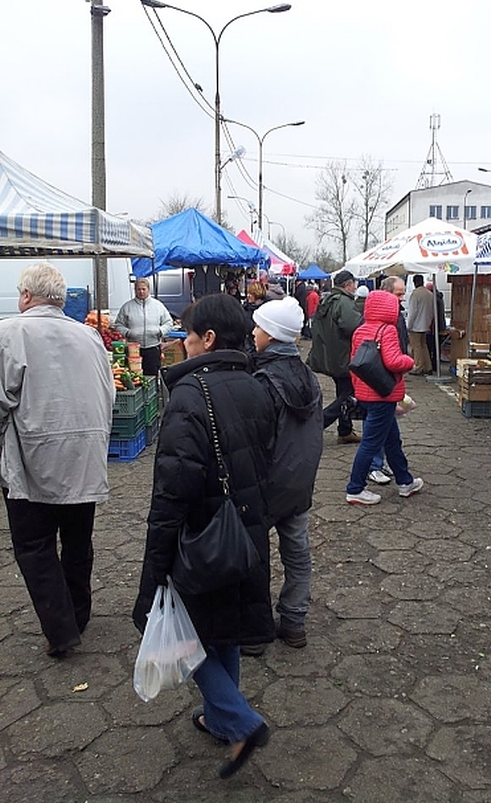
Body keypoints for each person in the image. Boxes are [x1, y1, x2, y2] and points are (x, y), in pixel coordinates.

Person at [132, 294, 276, 779]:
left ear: (208, 339)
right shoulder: (257, 385)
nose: (182, 344)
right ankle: (221, 719)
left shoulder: (191, 395)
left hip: (199, 539)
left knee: (182, 637)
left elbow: (172, 490)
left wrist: (154, 567)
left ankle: (241, 721)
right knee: (225, 629)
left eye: (187, 335)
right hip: (245, 532)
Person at [0, 263, 115, 657]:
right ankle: (77, 614)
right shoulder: (90, 336)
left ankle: (62, 629)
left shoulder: (11, 331)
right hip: (84, 457)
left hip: (33, 460)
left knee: (34, 546)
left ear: (28, 296)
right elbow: (109, 395)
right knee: (78, 541)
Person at [241, 296, 323, 655]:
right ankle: (294, 622)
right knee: (297, 553)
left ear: (271, 336)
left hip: (267, 485)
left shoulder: (261, 381)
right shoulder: (309, 378)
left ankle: (255, 634)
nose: (253, 333)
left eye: (258, 327)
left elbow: (256, 441)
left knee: (254, 557)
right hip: (300, 483)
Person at [345, 289, 423, 505]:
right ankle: (355, 488)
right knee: (370, 444)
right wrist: (408, 361)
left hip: (366, 394)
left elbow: (354, 363)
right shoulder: (387, 330)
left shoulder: (360, 330)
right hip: (383, 396)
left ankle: (406, 481)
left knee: (392, 441)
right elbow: (393, 362)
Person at [307, 270, 362, 444]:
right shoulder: (343, 301)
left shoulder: (328, 299)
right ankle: (318, 424)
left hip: (331, 355)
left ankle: (345, 430)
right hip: (343, 356)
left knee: (344, 391)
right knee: (349, 394)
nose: (355, 286)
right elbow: (352, 325)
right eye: (354, 283)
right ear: (348, 284)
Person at [367, 275, 408, 486]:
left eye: (403, 294)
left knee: (390, 432)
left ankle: (401, 474)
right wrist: (405, 362)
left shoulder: (396, 317)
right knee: (376, 432)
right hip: (379, 385)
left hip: (389, 383)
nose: (402, 298)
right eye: (398, 294)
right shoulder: (376, 320)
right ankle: (372, 468)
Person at [114, 278, 174, 376]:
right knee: (135, 375)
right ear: (135, 290)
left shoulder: (158, 306)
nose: (141, 292)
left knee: (152, 375)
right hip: (133, 350)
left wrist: (160, 331)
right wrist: (128, 332)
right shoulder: (127, 307)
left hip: (153, 348)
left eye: (143, 289)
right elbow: (118, 325)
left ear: (148, 290)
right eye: (138, 289)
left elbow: (168, 322)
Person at [407, 274, 435, 375]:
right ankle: (428, 366)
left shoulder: (415, 294)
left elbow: (412, 312)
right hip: (426, 324)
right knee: (424, 345)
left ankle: (418, 367)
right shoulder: (429, 294)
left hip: (416, 325)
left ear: (415, 283)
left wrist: (408, 325)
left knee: (416, 347)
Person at [425, 281, 448, 373]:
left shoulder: (434, 298)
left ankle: (433, 365)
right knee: (436, 347)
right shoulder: (439, 297)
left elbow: (433, 314)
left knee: (431, 347)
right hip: (440, 325)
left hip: (434, 326)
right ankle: (435, 365)